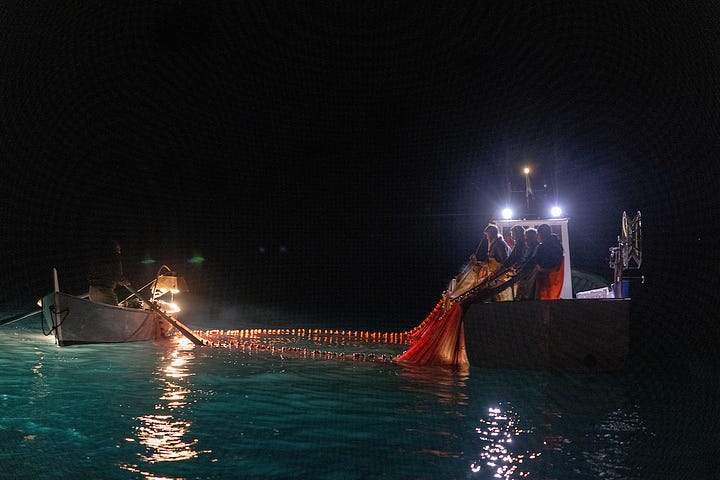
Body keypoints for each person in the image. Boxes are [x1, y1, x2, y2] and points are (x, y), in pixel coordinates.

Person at [88, 239, 130, 305]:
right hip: (104, 291)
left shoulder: (98, 258)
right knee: (114, 314)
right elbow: (117, 275)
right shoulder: (114, 257)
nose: (120, 251)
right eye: (119, 249)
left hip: (92, 291)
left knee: (100, 313)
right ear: (115, 248)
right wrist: (125, 281)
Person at [531, 224, 564, 299]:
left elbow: (535, 260)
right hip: (556, 281)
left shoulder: (542, 247)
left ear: (541, 234)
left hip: (544, 280)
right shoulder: (558, 245)